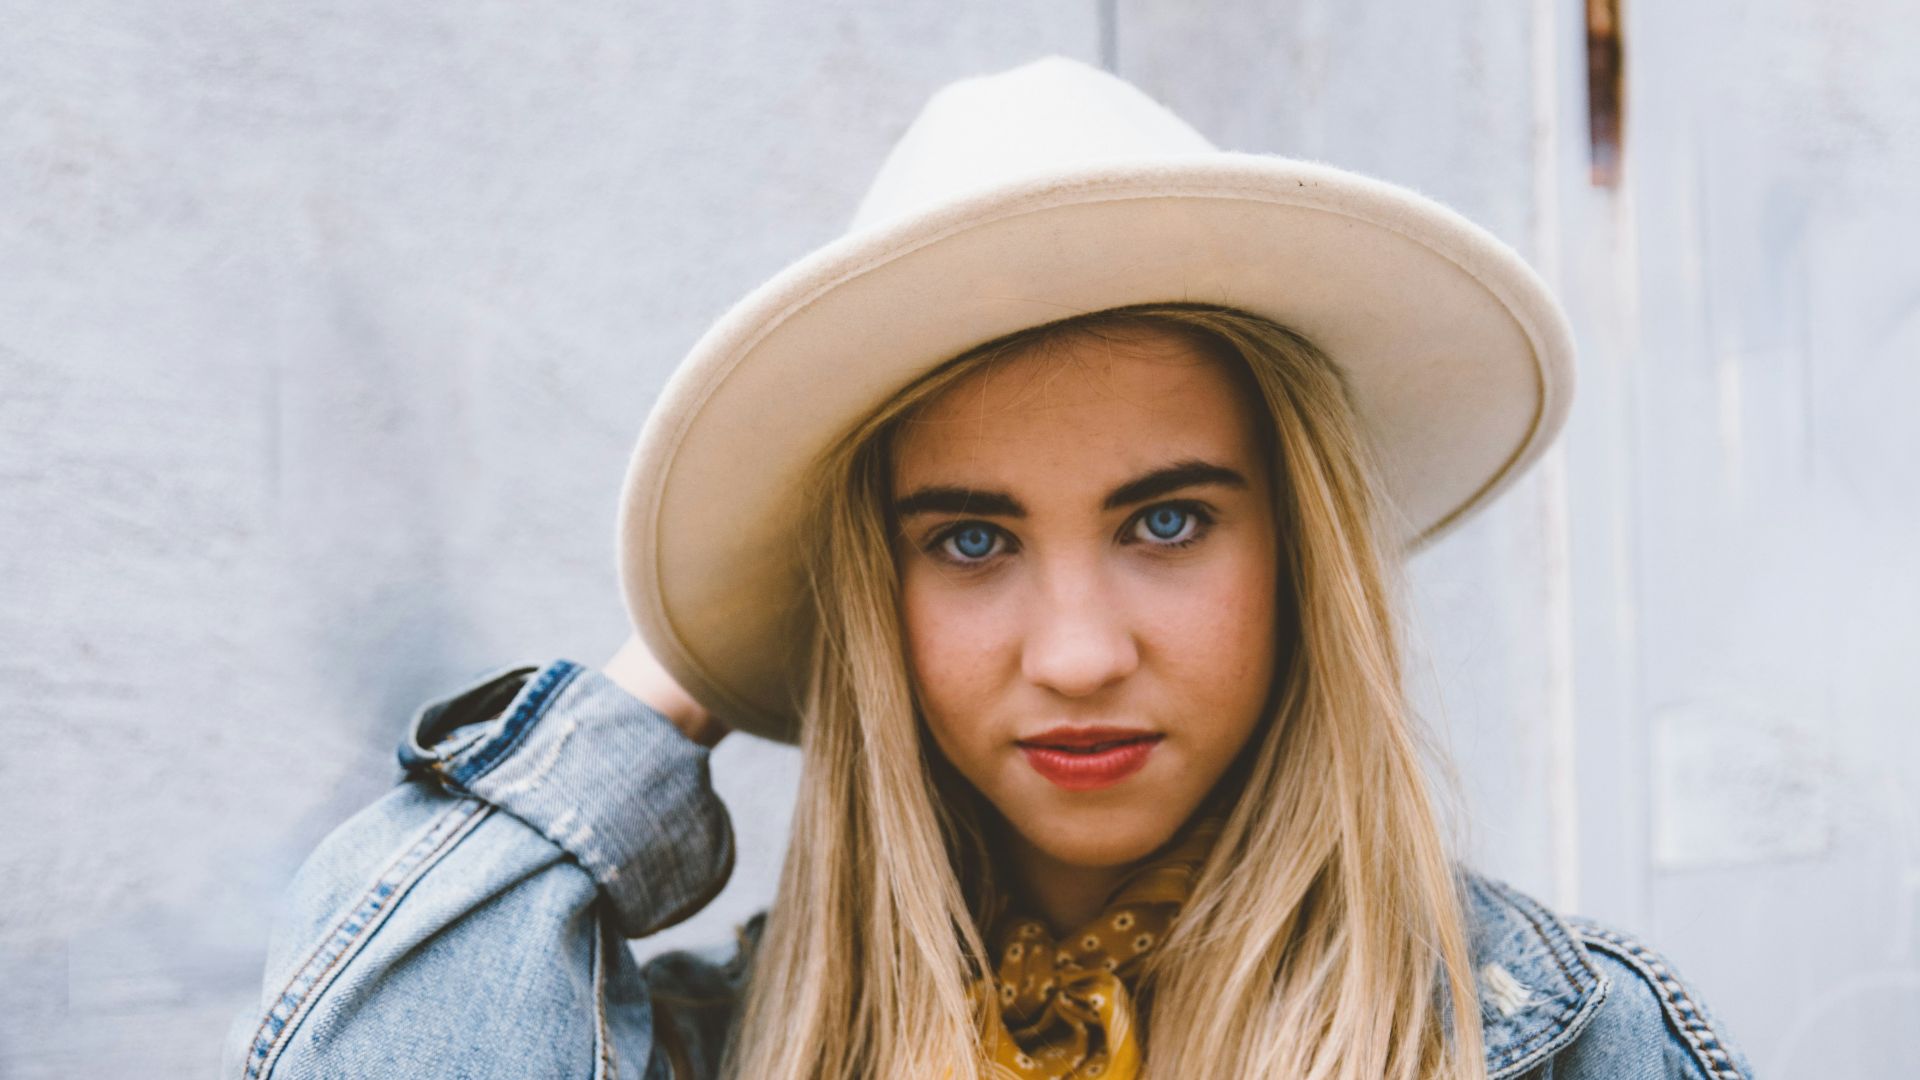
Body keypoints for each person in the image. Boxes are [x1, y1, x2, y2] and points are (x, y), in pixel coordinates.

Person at [225, 58, 1757, 1080]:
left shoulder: (1566, 1041)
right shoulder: (711, 1048)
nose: (1078, 652)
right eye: (969, 540)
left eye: (1167, 521)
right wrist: (691, 660)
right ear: (870, 602)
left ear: (1304, 559)